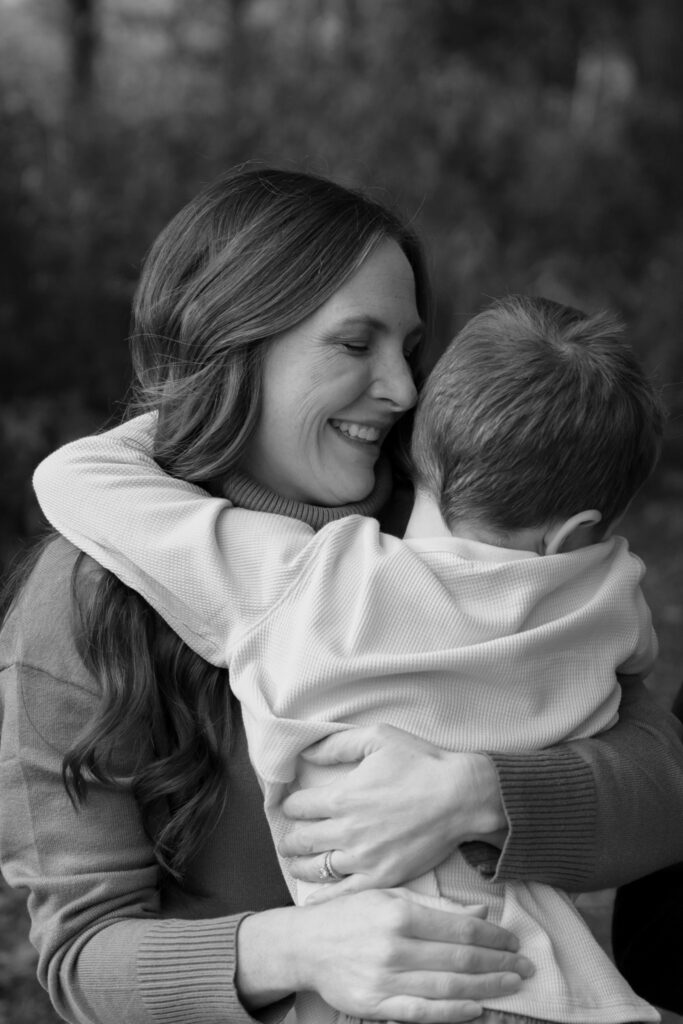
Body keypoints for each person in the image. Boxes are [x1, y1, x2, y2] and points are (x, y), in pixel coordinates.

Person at [2, 167, 683, 1024]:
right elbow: (80, 958)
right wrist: (303, 950)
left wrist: (478, 793)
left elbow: (664, 780)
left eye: (408, 348)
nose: (403, 389)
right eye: (356, 345)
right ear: (234, 347)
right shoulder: (86, 600)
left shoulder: (459, 526)